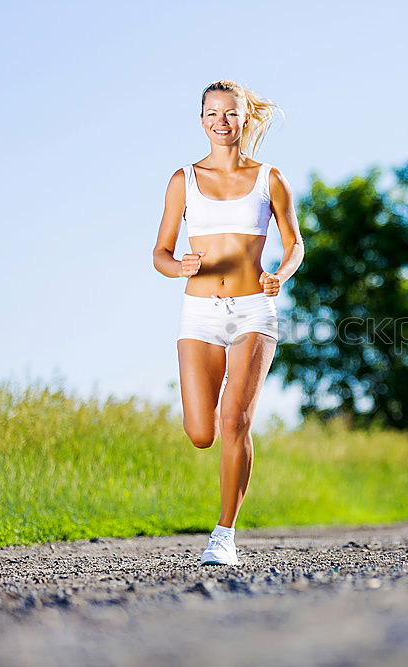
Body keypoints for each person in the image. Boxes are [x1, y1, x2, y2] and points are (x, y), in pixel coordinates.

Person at [152, 80, 304, 566]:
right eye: (212, 114)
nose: (222, 121)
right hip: (198, 312)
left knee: (235, 420)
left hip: (253, 311)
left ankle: (224, 535)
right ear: (202, 121)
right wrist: (178, 268)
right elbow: (160, 252)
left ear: (245, 120)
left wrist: (279, 274)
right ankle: (222, 522)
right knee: (201, 431)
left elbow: (296, 243)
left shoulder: (270, 179)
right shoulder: (183, 179)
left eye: (231, 114)